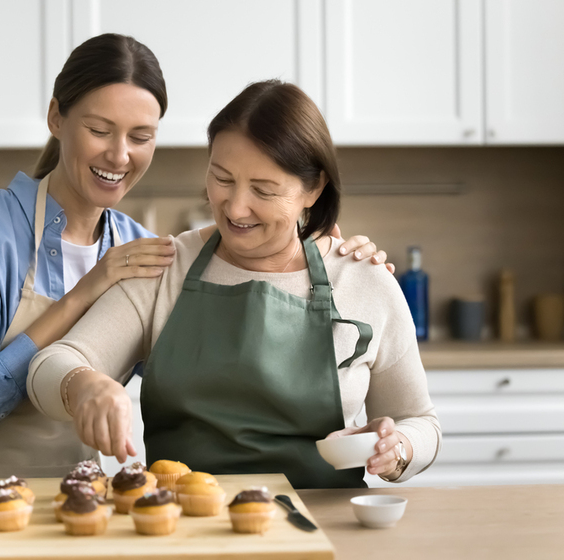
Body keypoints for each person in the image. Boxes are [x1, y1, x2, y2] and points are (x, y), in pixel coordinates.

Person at [0, 35, 391, 494]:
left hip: (75, 499)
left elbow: (203, 373)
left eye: (141, 136)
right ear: (56, 117)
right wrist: (84, 294)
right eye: (100, 130)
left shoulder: (142, 248)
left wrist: (321, 254)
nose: (119, 155)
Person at [28, 80, 441, 489]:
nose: (236, 206)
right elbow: (52, 363)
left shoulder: (362, 278)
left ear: (312, 189)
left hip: (322, 532)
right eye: (222, 179)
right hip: (188, 528)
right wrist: (83, 385)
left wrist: (397, 448)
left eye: (263, 190)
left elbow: (419, 422)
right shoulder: (165, 267)